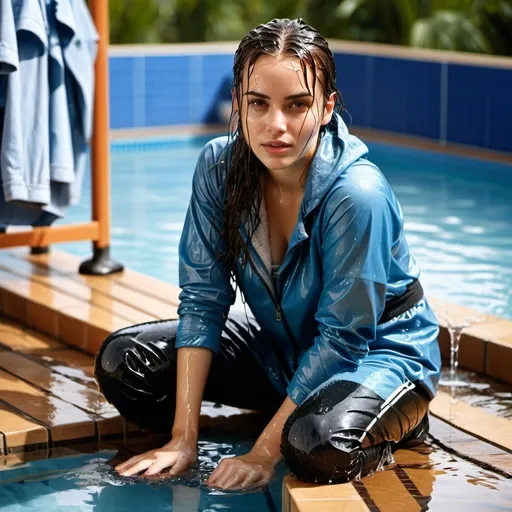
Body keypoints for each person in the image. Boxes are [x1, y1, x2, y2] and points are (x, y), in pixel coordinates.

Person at [94, 18, 441, 490]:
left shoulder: (357, 195)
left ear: (326, 107)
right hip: (282, 350)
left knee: (315, 445)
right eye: (258, 104)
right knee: (125, 363)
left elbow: (343, 340)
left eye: (297, 105)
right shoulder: (220, 167)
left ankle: (376, 420)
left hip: (379, 356)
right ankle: (298, 407)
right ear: (238, 103)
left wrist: (262, 452)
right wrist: (183, 438)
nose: (275, 126)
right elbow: (202, 300)